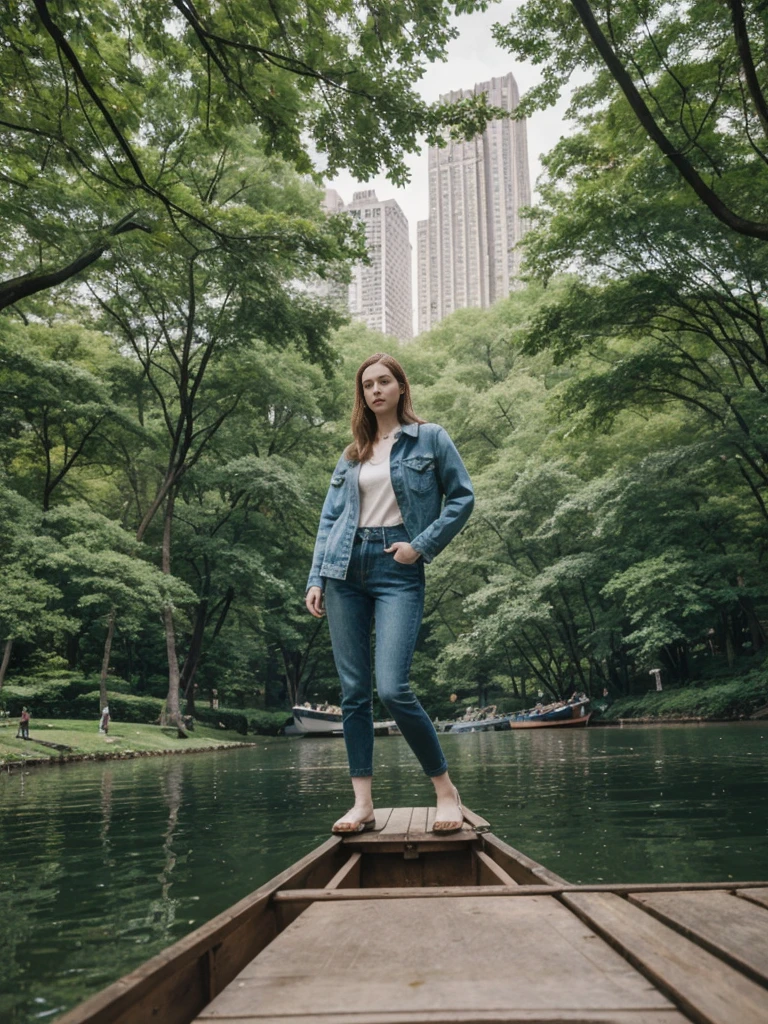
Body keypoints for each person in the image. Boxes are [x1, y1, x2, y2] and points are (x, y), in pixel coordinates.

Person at [305, 353, 474, 834]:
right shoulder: (352, 452)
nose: (375, 390)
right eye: (367, 385)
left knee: (394, 688)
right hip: (343, 570)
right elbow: (329, 520)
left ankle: (446, 791)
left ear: (401, 387)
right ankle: (362, 804)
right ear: (361, 395)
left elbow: (463, 497)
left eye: (384, 381)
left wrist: (419, 547)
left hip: (397, 564)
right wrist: (316, 577)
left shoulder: (430, 438)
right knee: (354, 693)